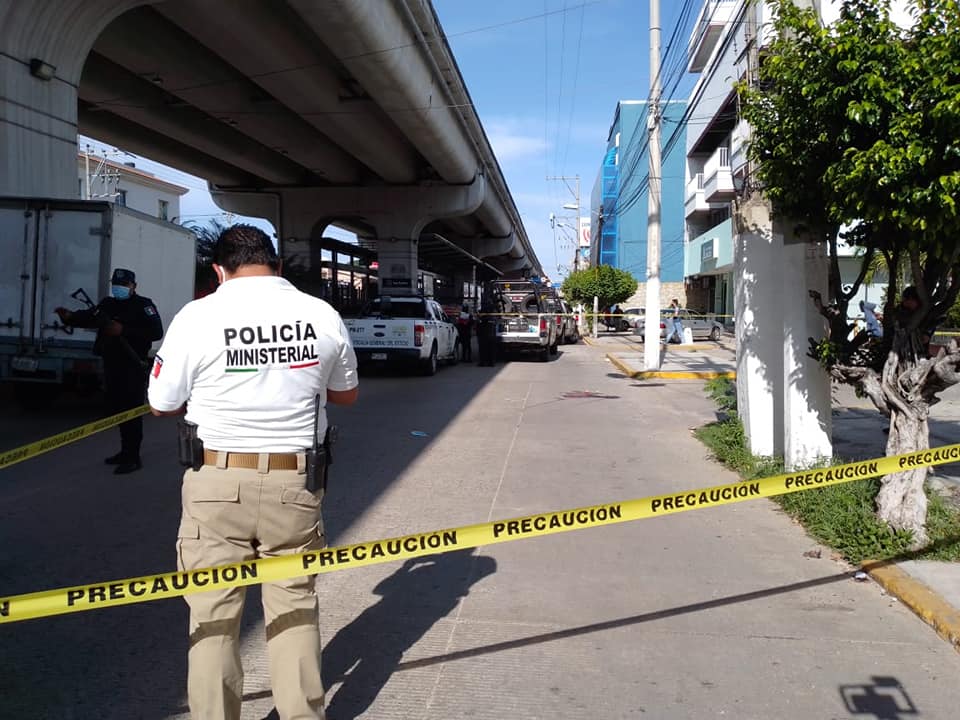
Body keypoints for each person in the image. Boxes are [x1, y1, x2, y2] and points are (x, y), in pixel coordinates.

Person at [147, 225, 359, 720]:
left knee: (213, 615)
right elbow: (346, 395)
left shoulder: (198, 316)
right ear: (277, 266)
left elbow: (162, 403)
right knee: (294, 605)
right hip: (296, 481)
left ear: (219, 270)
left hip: (215, 480)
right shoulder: (319, 313)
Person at [55, 268, 162, 474]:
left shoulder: (144, 305)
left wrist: (124, 331)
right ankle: (124, 451)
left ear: (133, 286)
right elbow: (88, 317)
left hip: (133, 364)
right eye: (116, 284)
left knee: (131, 412)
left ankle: (133, 456)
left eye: (124, 285)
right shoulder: (108, 304)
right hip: (112, 364)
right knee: (119, 410)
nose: (119, 288)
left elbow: (156, 332)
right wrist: (68, 317)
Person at [477, 298, 497, 367]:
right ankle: (490, 362)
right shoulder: (493, 312)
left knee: (483, 349)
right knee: (490, 349)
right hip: (490, 333)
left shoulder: (483, 312)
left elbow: (480, 321)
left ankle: (483, 362)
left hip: (484, 333)